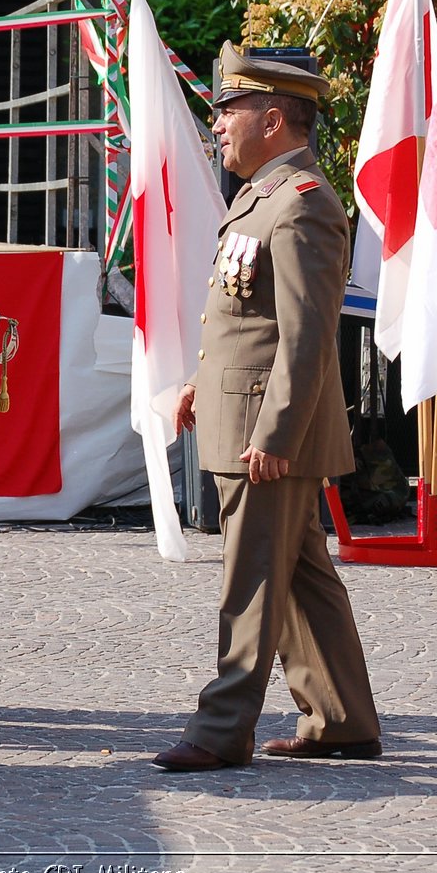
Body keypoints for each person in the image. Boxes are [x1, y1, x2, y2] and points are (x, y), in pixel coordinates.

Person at [154, 43, 381, 772]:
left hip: (266, 431)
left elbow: (308, 335)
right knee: (302, 575)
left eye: (230, 109)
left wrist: (276, 431)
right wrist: (197, 377)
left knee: (251, 577)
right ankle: (341, 718)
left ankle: (223, 728)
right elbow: (241, 316)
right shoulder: (265, 194)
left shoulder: (304, 205)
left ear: (274, 117)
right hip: (243, 414)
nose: (218, 123)